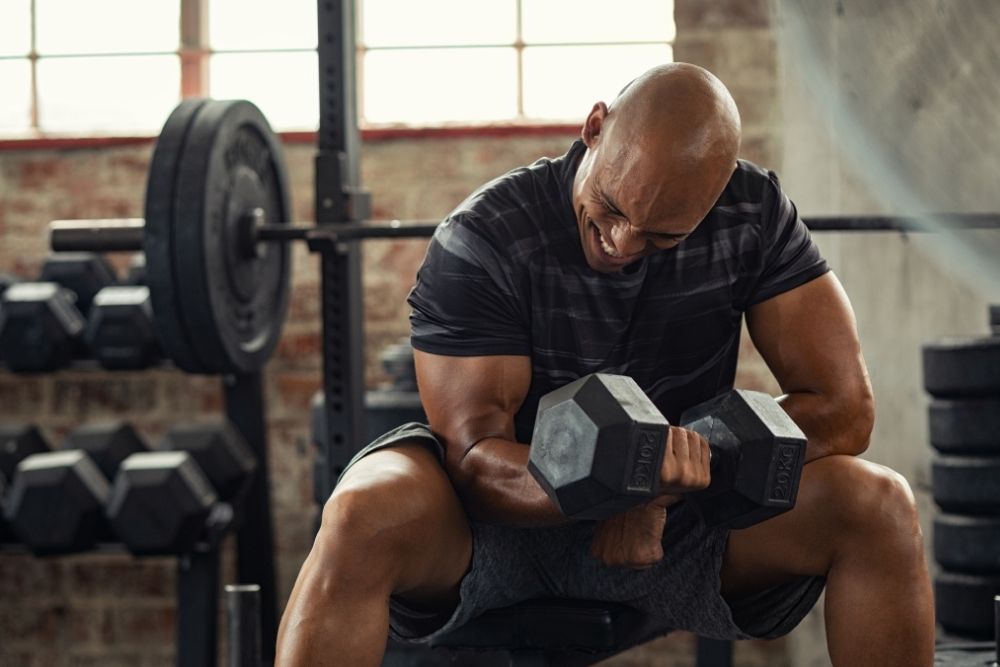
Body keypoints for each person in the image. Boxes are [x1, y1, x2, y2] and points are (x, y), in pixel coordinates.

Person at [275, 63, 934, 666]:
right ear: (594, 128)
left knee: (878, 505)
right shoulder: (487, 235)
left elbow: (845, 408)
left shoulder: (751, 215)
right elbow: (475, 460)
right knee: (362, 509)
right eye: (613, 209)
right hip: (499, 526)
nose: (621, 242)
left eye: (660, 235)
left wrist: (662, 483)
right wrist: (619, 485)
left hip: (683, 523)